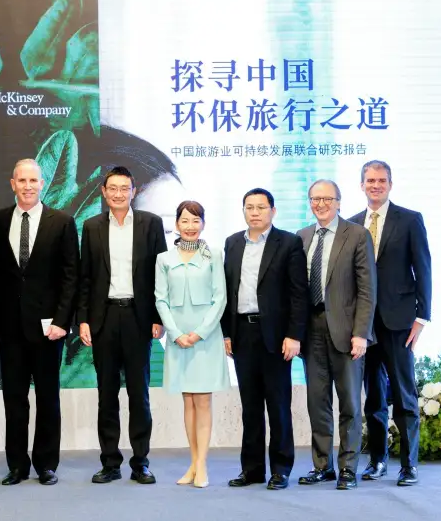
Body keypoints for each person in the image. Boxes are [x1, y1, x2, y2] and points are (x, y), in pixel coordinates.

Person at [0, 158, 79, 486]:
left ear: (42, 184)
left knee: (48, 398)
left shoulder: (62, 222)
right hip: (11, 328)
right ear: (13, 184)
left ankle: (46, 464)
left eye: (33, 180)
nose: (27, 186)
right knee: (14, 400)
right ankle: (17, 465)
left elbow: (71, 276)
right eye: (22, 180)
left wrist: (62, 321)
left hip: (49, 329)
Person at [77, 166, 167, 485]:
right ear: (104, 192)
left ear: (133, 191)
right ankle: (110, 462)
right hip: (103, 319)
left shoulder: (150, 224)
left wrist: (158, 317)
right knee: (107, 395)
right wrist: (83, 319)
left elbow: (161, 274)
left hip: (138, 318)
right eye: (112, 188)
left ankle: (140, 462)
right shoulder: (91, 226)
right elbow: (85, 277)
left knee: (139, 394)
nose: (118, 194)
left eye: (124, 188)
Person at [349, 160, 432, 487]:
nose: (376, 185)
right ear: (362, 185)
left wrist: (422, 316)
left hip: (399, 322)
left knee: (404, 394)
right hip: (364, 326)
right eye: (370, 180)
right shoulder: (352, 224)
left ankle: (409, 465)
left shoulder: (410, 219)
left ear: (390, 184)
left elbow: (423, 268)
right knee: (373, 398)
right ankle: (378, 460)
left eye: (381, 180)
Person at [222, 188, 309, 490]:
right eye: (249, 207)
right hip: (242, 333)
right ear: (243, 211)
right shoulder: (233, 243)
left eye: (261, 207)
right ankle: (252, 470)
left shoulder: (289, 243)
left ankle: (281, 469)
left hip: (276, 336)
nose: (255, 212)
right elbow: (228, 290)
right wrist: (227, 332)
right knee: (250, 407)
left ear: (273, 210)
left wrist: (294, 335)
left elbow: (299, 294)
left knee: (278, 405)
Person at [296, 179, 376, 491]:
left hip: (346, 332)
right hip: (311, 331)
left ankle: (348, 468)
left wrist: (361, 333)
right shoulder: (302, 237)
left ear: (339, 202)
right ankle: (322, 466)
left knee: (350, 404)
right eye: (315, 199)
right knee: (317, 403)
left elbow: (367, 290)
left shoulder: (356, 234)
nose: (321, 204)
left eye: (327, 199)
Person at [154, 201, 230, 489]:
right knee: (188, 400)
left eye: (195, 220)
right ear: (176, 224)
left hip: (205, 338)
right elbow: (160, 299)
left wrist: (198, 333)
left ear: (203, 224)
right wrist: (175, 333)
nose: (190, 226)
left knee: (203, 401)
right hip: (178, 338)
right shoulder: (164, 259)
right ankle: (193, 463)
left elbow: (220, 298)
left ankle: (202, 465)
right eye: (184, 221)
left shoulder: (214, 255)